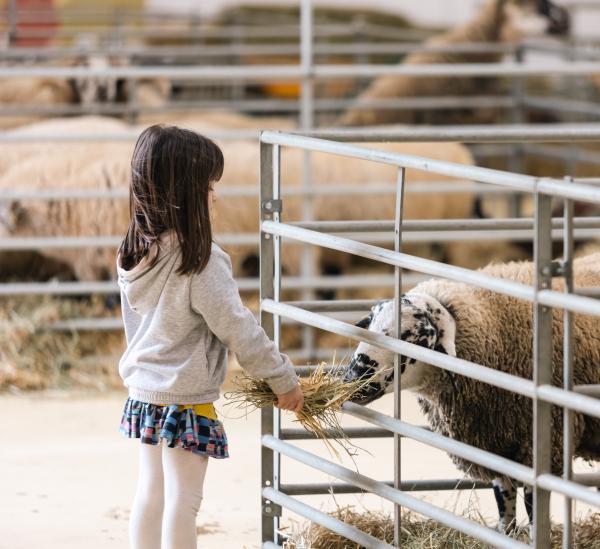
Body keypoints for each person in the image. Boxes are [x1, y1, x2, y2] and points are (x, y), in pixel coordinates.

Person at [117, 125, 303, 549]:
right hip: (185, 397)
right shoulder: (200, 262)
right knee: (185, 500)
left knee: (152, 491)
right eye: (207, 185)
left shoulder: (133, 252)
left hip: (144, 392)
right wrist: (282, 379)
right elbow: (239, 327)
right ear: (183, 192)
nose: (214, 196)